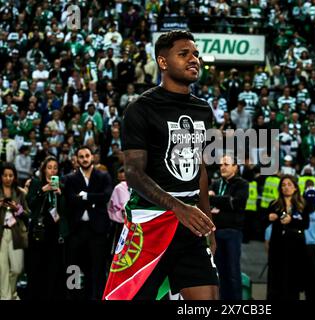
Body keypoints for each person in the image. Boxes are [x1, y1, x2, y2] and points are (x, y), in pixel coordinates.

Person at [103, 30, 218, 300]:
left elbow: (200, 168)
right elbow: (133, 174)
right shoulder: (140, 108)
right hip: (149, 223)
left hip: (191, 224)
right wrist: (178, 207)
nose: (194, 59)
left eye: (196, 55)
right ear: (163, 62)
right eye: (184, 54)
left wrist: (208, 222)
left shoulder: (203, 110)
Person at [64, 146, 113, 300]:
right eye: (81, 156)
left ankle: (97, 297)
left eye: (87, 156)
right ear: (77, 159)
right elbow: (71, 199)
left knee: (97, 269)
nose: (84, 159)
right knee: (74, 268)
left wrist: (85, 196)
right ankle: (73, 298)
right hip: (77, 230)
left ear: (92, 157)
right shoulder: (70, 178)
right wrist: (93, 198)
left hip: (97, 231)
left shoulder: (103, 176)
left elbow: (106, 196)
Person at [26, 156, 68, 300]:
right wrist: (43, 190)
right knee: (37, 267)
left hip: (55, 234)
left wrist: (60, 196)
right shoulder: (36, 184)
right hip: (39, 232)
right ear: (44, 169)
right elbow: (30, 205)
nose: (52, 171)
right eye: (49, 167)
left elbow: (65, 212)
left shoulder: (61, 186)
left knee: (53, 269)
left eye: (55, 168)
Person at [209, 154, 249, 300]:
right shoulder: (216, 183)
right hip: (215, 232)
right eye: (221, 165)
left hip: (232, 232)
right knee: (219, 272)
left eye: (226, 164)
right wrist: (223, 202)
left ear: (235, 167)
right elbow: (210, 202)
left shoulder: (242, 184)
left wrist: (214, 199)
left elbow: (235, 203)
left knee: (232, 271)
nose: (222, 167)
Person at [266, 175, 310, 300]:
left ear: (295, 188)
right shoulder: (274, 204)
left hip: (295, 248)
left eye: (289, 184)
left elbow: (305, 224)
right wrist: (268, 218)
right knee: (276, 281)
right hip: (277, 247)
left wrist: (291, 221)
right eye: (283, 185)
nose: (286, 187)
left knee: (292, 281)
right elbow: (262, 222)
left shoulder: (302, 205)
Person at [0, 163, 30, 300]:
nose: (8, 178)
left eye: (10, 175)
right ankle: (5, 296)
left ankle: (12, 293)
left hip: (16, 233)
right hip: (1, 235)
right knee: (3, 270)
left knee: (17, 268)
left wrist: (17, 208)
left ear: (14, 177)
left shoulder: (20, 193)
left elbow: (28, 215)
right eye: (5, 175)